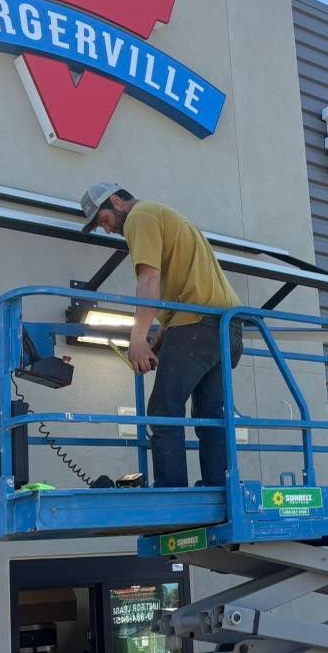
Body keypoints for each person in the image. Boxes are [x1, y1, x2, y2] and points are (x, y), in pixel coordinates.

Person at [79, 183, 242, 489]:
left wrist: (137, 337)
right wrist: (159, 340)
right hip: (225, 327)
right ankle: (221, 486)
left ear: (116, 201)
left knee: (163, 410)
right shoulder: (164, 216)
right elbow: (184, 291)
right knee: (211, 413)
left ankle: (172, 490)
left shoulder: (140, 217)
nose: (106, 229)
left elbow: (149, 277)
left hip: (196, 327)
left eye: (103, 220)